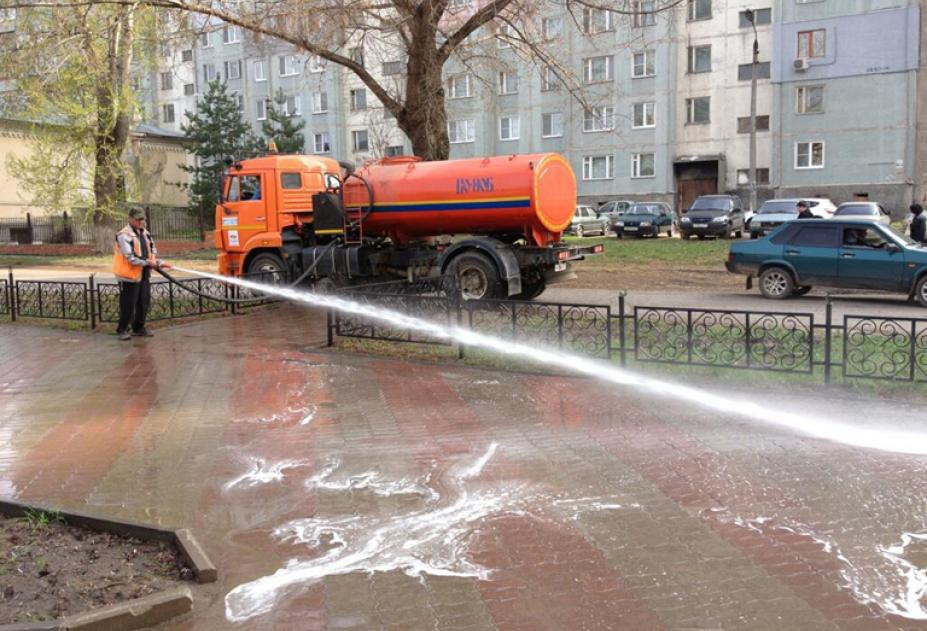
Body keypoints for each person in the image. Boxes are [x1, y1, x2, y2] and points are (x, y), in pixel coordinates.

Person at [112, 208, 171, 341]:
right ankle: (122, 330)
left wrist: (159, 262)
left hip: (143, 273)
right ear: (130, 218)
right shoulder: (123, 235)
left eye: (142, 219)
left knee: (143, 302)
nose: (141, 221)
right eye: (138, 219)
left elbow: (152, 250)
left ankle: (138, 328)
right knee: (128, 304)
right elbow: (131, 257)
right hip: (128, 276)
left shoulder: (146, 233)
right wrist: (150, 262)